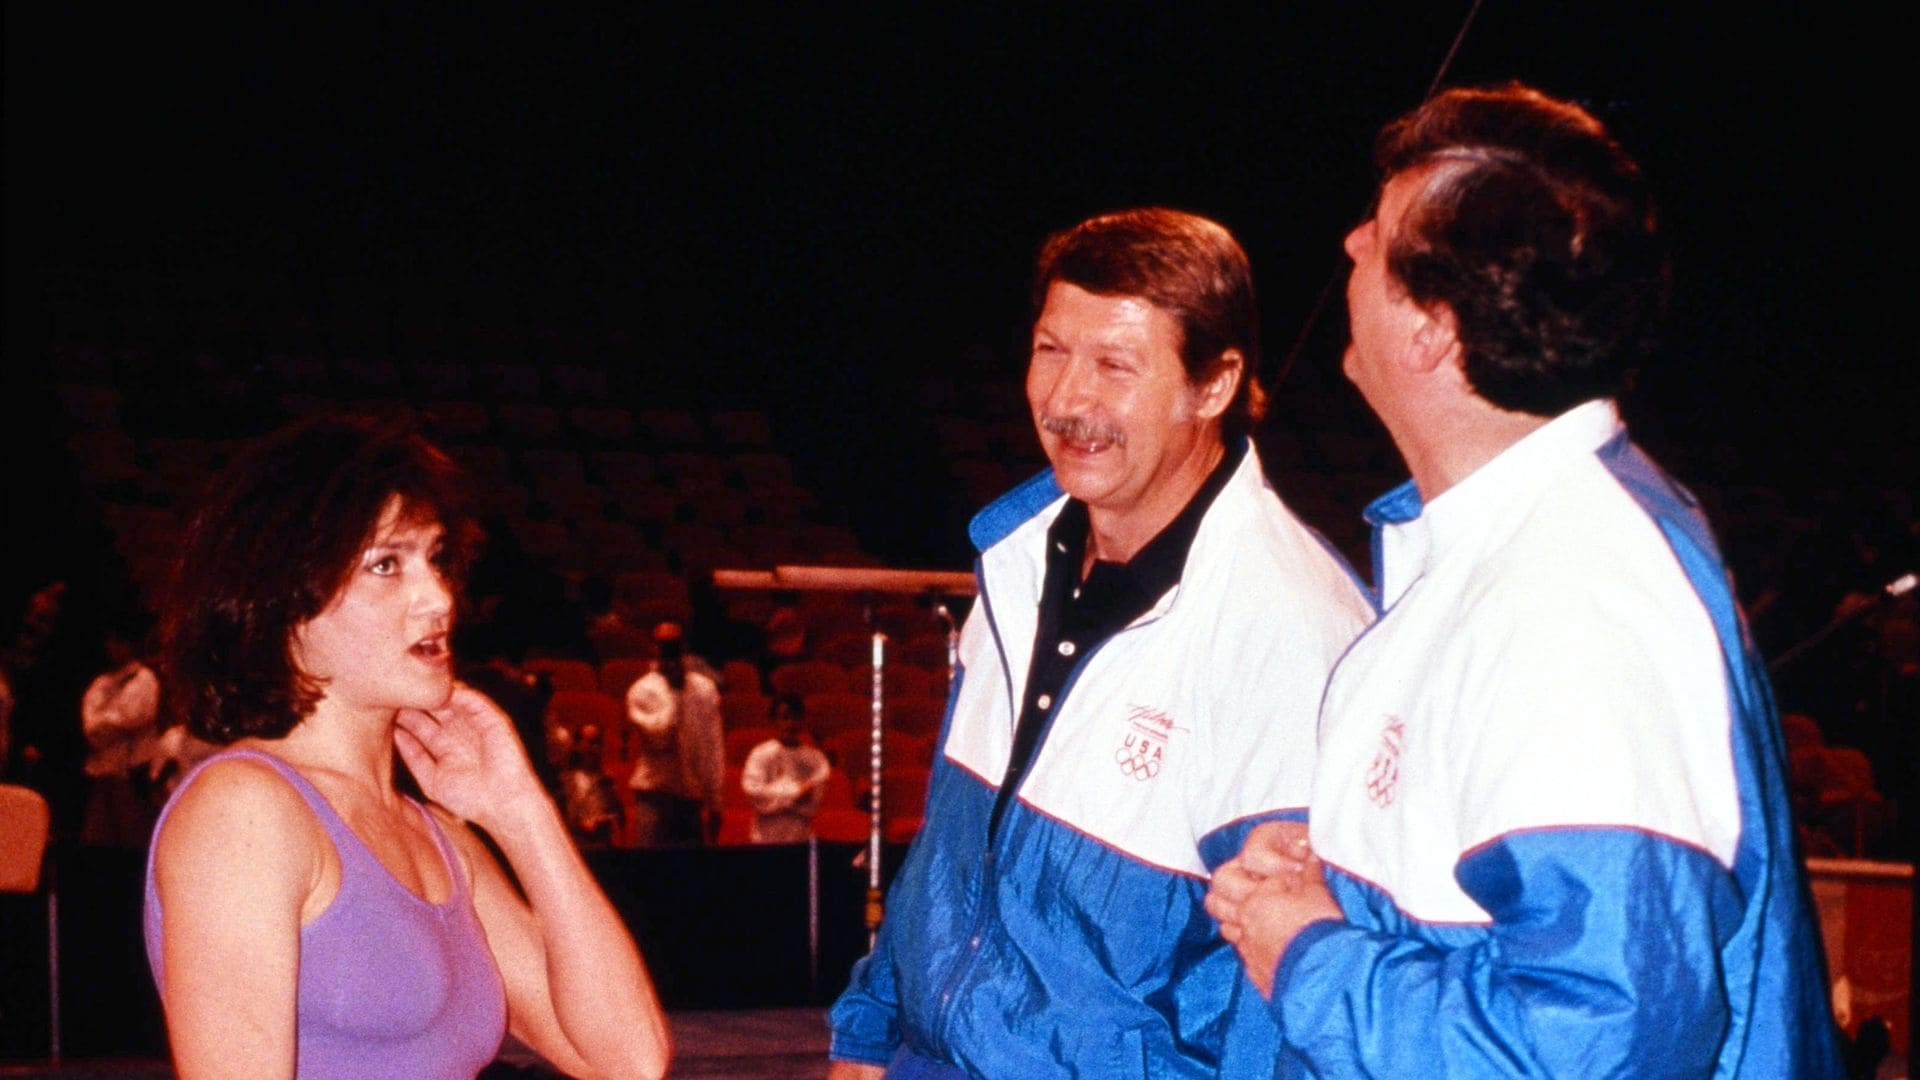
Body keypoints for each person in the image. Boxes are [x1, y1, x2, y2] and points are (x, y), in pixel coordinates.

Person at [1205, 83, 1843, 1077]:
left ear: (1432, 331)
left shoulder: (1575, 600)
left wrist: (1311, 956)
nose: (1348, 246)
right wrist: (1346, 881)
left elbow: (1593, 1046)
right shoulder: (1512, 547)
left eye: (1376, 233)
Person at [828, 208, 1374, 1078]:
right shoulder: (1012, 555)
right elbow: (954, 838)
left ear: (1214, 383)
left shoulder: (1295, 631)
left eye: (1116, 365)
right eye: (1051, 351)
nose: (1067, 400)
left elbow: (1282, 1003)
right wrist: (871, 1025)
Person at [143, 415, 669, 1080]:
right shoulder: (245, 810)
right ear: (282, 605)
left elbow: (629, 1061)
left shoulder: (442, 838)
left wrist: (520, 810)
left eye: (437, 559)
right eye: (387, 564)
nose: (438, 597)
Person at [624, 621, 724, 846]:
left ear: (684, 648)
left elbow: (712, 747)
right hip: (655, 796)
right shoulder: (641, 691)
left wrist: (715, 801)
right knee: (650, 871)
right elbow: (660, 739)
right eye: (663, 646)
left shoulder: (705, 689)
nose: (669, 652)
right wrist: (674, 691)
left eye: (674, 646)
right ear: (654, 649)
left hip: (691, 798)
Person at [79, 626, 163, 846]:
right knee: (97, 838)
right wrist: (108, 723)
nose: (112, 648)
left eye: (117, 642)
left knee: (130, 838)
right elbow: (91, 724)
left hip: (131, 774)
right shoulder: (101, 683)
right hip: (102, 770)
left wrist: (106, 723)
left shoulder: (144, 679)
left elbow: (133, 717)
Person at [740, 693, 832, 843]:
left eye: (796, 718)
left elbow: (813, 804)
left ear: (803, 721)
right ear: (774, 721)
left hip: (800, 837)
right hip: (765, 837)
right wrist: (797, 793)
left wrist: (774, 794)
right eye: (785, 718)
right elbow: (754, 793)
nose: (791, 724)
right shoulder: (760, 753)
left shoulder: (816, 760)